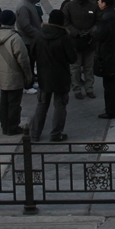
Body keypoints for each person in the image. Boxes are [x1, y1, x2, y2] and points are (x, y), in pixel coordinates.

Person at [31, 8, 76, 141]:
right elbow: (72, 58)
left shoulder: (39, 35)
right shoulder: (64, 38)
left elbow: (32, 53)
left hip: (44, 75)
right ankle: (56, 134)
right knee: (60, 106)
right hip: (61, 77)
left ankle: (35, 133)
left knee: (42, 104)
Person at [0, 8, 33, 133]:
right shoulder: (15, 38)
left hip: (1, 74)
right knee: (14, 103)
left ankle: (5, 125)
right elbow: (24, 60)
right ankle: (13, 127)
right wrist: (28, 76)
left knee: (4, 102)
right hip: (15, 74)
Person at [92, 0, 115, 119]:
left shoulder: (105, 18)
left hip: (108, 56)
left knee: (109, 85)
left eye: (100, 1)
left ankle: (111, 110)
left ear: (104, 3)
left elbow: (99, 35)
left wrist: (94, 29)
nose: (98, 3)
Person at [65, 0, 97, 98]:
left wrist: (90, 32)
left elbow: (97, 22)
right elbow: (66, 22)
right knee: (75, 67)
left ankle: (89, 88)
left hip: (89, 42)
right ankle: (77, 89)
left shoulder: (93, 6)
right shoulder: (69, 6)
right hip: (75, 42)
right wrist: (77, 33)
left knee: (89, 66)